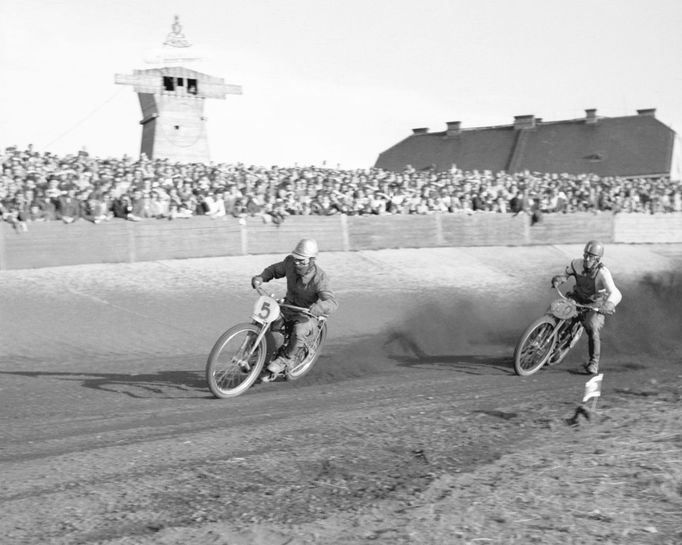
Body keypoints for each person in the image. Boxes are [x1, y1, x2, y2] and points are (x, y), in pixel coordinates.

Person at [251, 238, 338, 377]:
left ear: (311, 260)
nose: (297, 263)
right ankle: (257, 351)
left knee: (299, 331)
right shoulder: (290, 263)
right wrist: (261, 277)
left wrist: (318, 307)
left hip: (306, 314)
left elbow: (332, 303)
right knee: (268, 319)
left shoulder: (320, 278)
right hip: (288, 306)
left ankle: (286, 360)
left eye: (301, 261)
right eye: (296, 258)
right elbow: (274, 270)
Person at [551, 240, 622, 375]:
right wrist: (559, 279)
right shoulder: (576, 263)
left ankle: (593, 362)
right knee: (556, 310)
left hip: (594, 305)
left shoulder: (603, 273)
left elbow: (616, 293)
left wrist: (609, 304)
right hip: (577, 297)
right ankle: (542, 335)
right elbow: (565, 274)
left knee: (591, 326)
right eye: (585, 255)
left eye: (591, 257)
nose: (587, 259)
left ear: (597, 259)